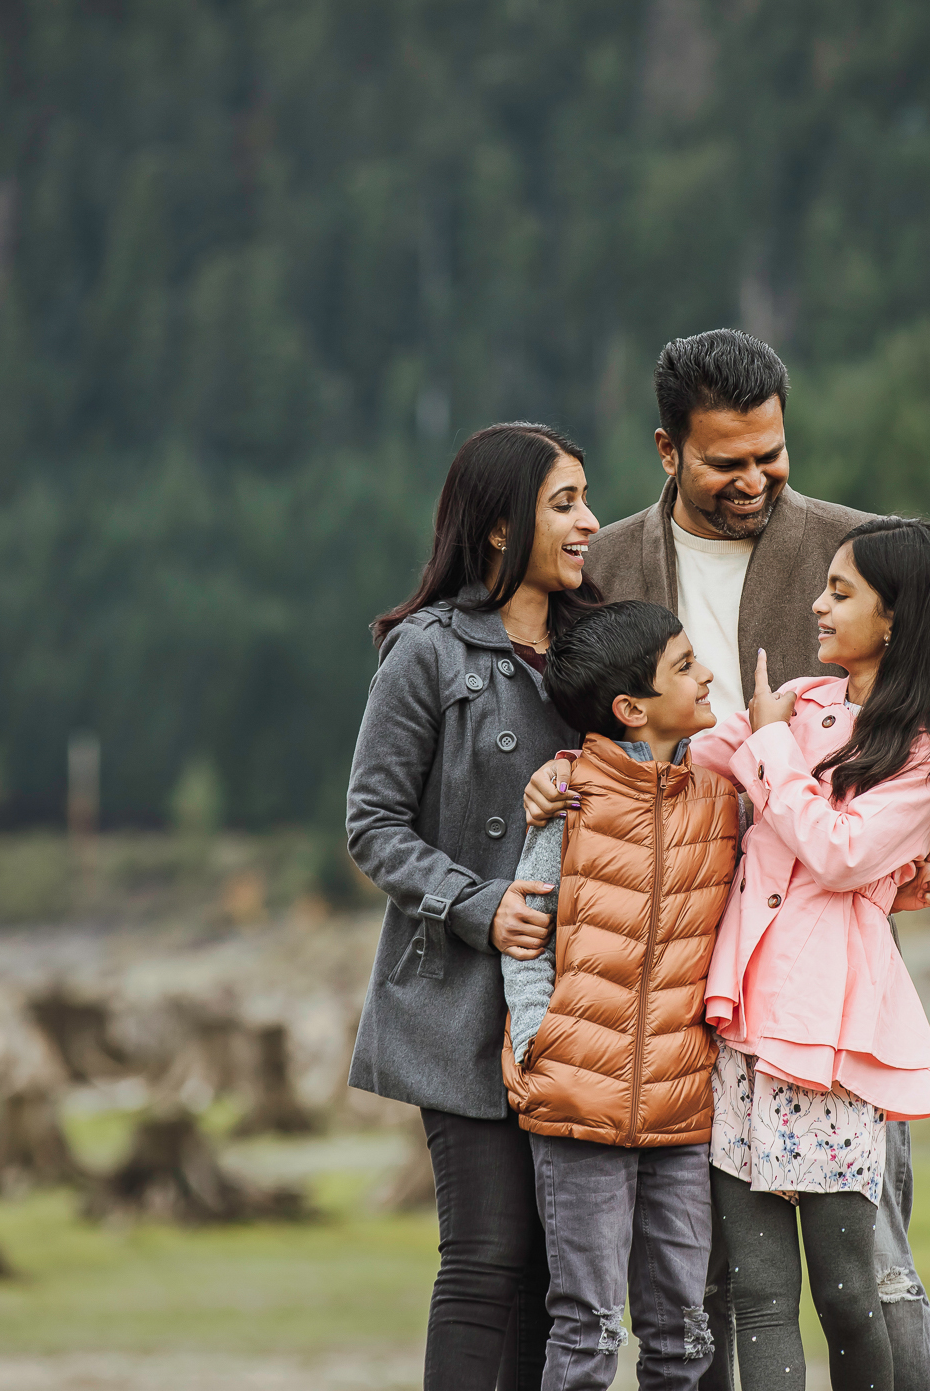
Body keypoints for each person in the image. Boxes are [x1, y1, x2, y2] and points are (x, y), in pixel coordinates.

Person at [525, 328, 930, 1389]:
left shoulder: (858, 551)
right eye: (728, 462)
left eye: (772, 453)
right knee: (710, 1276)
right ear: (668, 451)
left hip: (822, 966)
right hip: (672, 965)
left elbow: (922, 728)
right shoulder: (607, 565)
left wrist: (912, 855)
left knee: (873, 1262)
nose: (758, 478)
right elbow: (573, 712)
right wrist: (551, 783)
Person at [691, 516, 930, 1389]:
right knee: (756, 1293)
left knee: (846, 1292)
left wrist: (769, 745)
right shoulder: (801, 703)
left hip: (831, 1041)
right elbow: (687, 764)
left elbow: (842, 849)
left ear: (899, 618)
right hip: (741, 1022)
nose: (816, 603)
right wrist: (582, 768)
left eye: (840, 591)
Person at [346, 422, 602, 1391]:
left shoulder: (594, 652)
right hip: (455, 1003)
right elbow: (371, 825)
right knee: (487, 1255)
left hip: (575, 1009)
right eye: (565, 504)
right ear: (499, 529)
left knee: (553, 1273)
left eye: (586, 500)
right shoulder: (425, 654)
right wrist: (479, 907)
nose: (587, 525)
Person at [498, 600, 740, 1390]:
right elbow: (526, 926)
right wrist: (541, 1036)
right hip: (573, 1100)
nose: (705, 674)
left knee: (682, 1334)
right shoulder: (570, 798)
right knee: (588, 1330)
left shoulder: (723, 797)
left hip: (683, 1112)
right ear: (632, 707)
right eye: (684, 665)